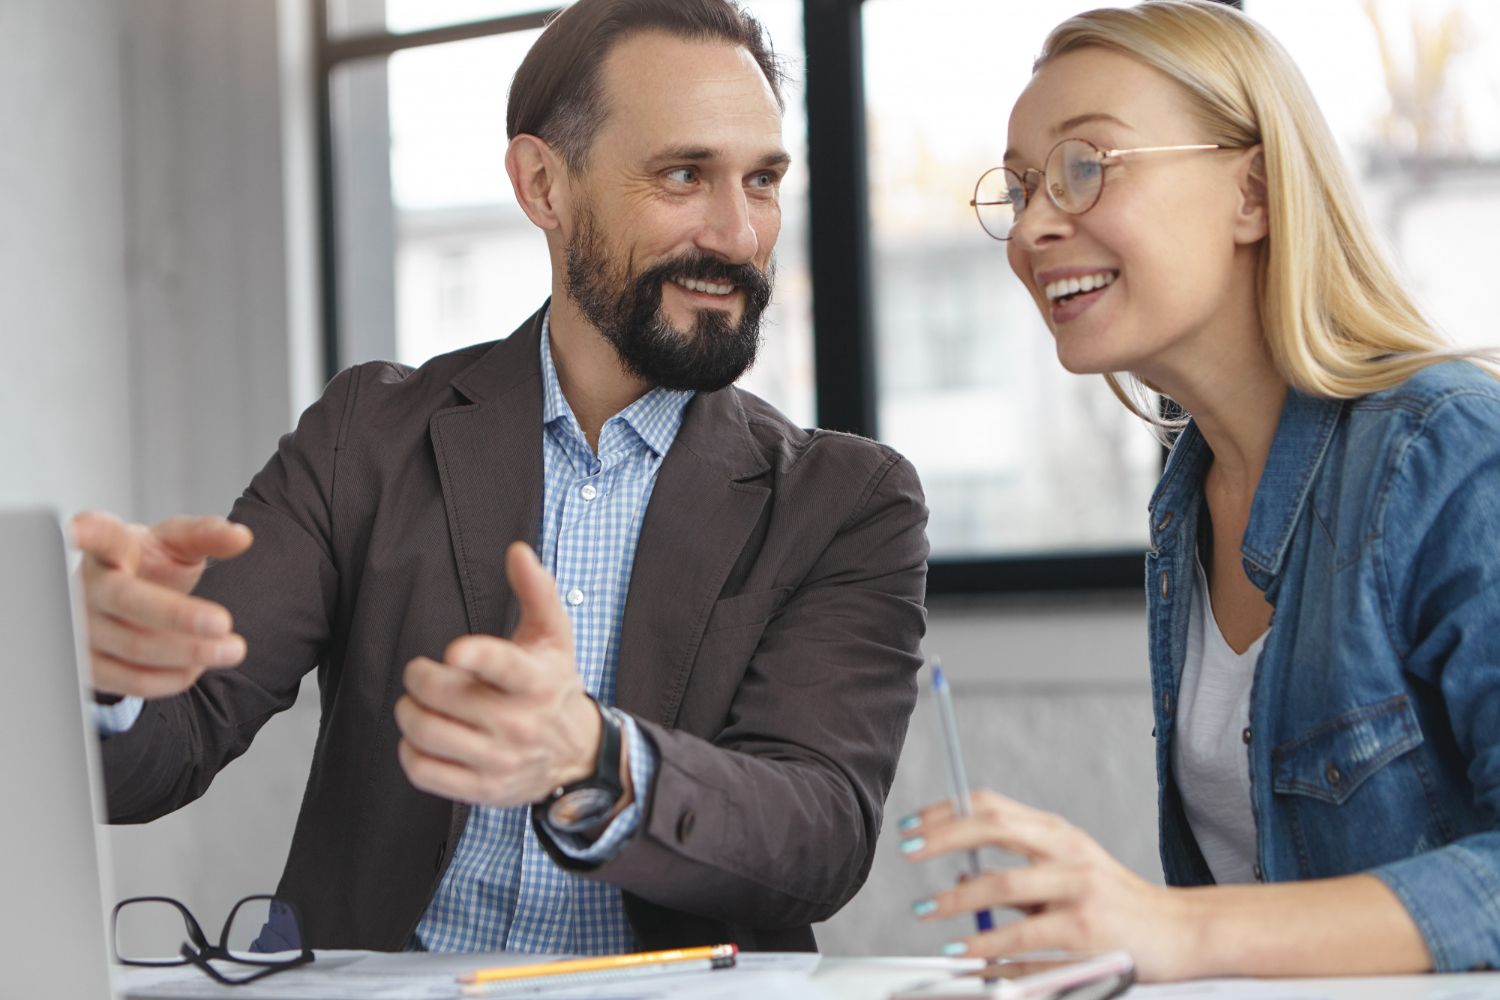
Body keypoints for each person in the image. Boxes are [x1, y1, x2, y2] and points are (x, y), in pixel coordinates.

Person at [73, 0, 929, 955]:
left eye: (762, 180)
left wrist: (594, 758)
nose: (738, 233)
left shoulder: (847, 502)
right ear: (542, 185)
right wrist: (105, 675)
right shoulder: (369, 437)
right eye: (685, 174)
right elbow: (165, 748)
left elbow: (817, 839)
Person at [899, 0, 1500, 980]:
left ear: (1253, 193)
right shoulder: (1190, 505)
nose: (1036, 225)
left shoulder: (1450, 450)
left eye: (1085, 167)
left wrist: (1173, 930)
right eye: (1018, 189)